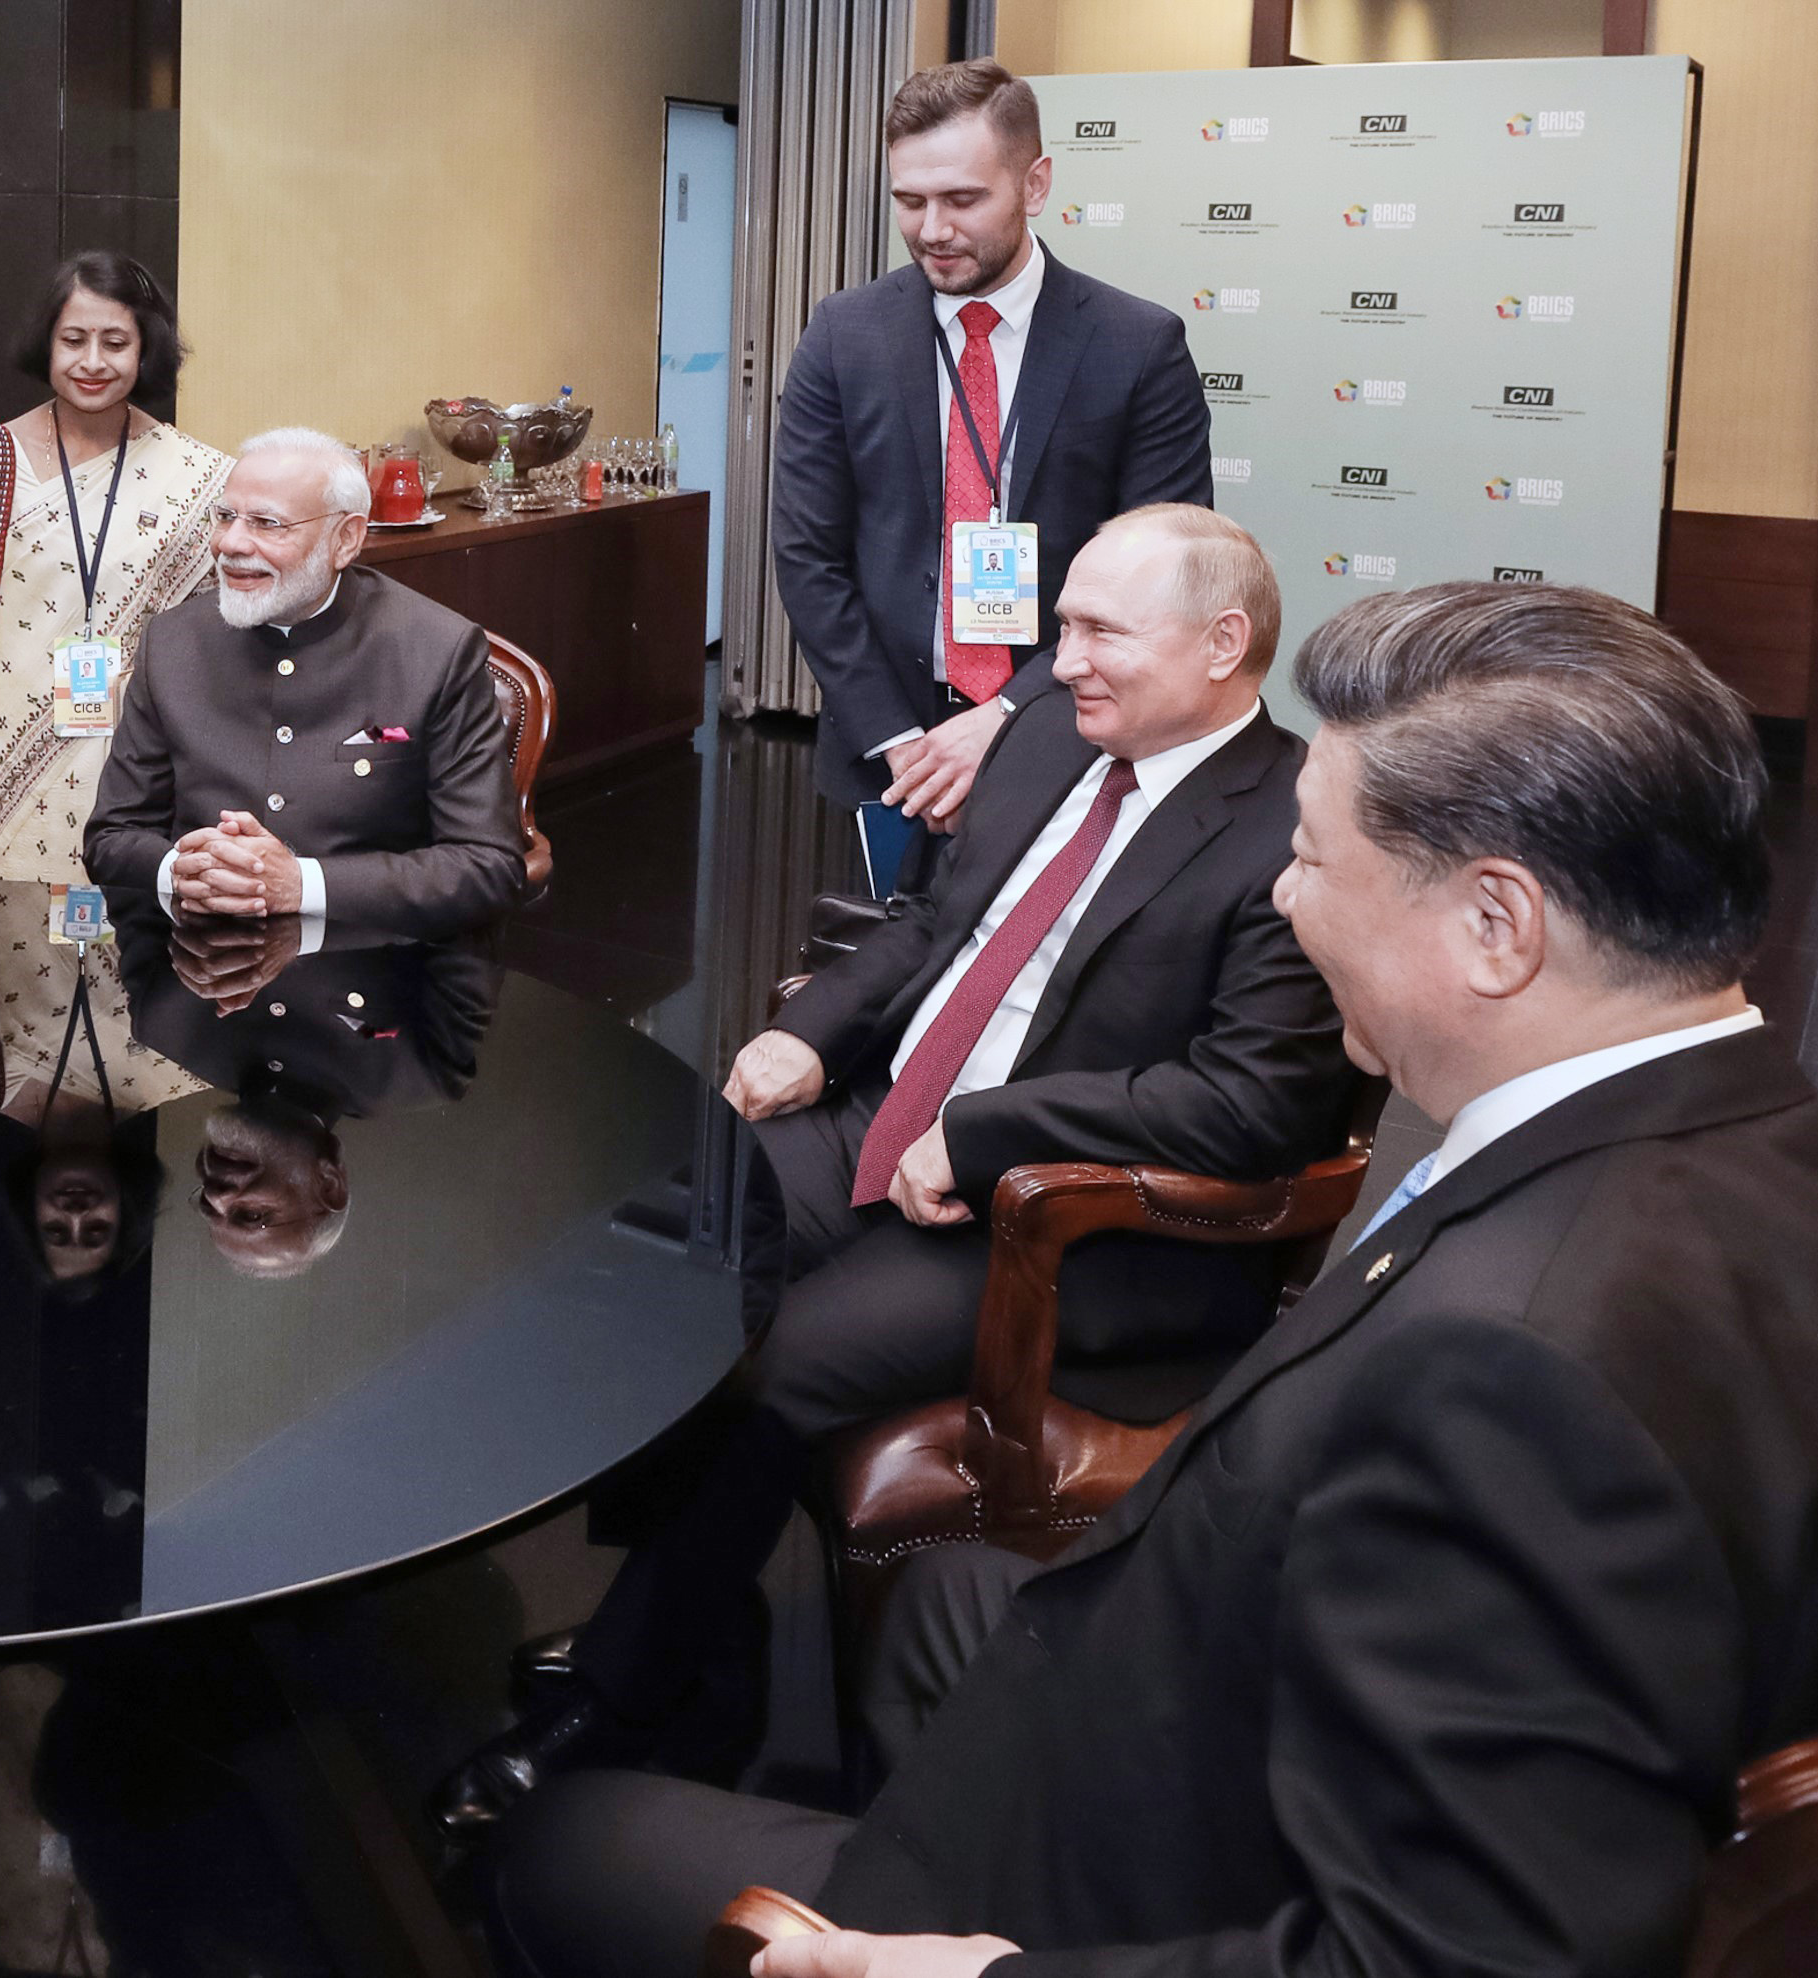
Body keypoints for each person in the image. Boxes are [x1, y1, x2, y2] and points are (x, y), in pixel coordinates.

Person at [486, 580, 1818, 1978]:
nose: (1287, 896)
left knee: (557, 1851)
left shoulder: (1518, 1372)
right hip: (1225, 1672)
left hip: (1170, 1881)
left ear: (1498, 925)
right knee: (948, 1597)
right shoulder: (1746, 1135)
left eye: (1312, 861)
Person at [439, 505, 1357, 1832]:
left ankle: (626, 1696)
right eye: (1062, 626)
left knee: (771, 1362)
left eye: (1100, 632)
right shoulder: (1052, 736)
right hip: (883, 1117)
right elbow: (934, 920)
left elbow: (1252, 1104)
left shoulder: (1292, 821)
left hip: (1067, 1223)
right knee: (645, 1243)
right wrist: (811, 1033)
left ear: (1223, 645)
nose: (1062, 660)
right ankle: (697, 1619)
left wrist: (986, 1136)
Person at [771, 59, 1211, 830]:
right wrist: (903, 745)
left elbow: (1162, 572)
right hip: (887, 752)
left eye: (962, 199)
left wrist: (1009, 714)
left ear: (1034, 185)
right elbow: (808, 556)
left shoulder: (1136, 346)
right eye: (909, 201)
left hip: (1072, 737)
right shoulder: (843, 335)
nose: (931, 230)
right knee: (892, 916)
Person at [82, 428, 525, 935]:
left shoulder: (436, 650)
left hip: (370, 960)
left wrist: (301, 884)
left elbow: (489, 866)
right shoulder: (172, 643)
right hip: (198, 958)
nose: (230, 544)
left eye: (267, 524)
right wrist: (185, 872)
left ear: (345, 539)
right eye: (225, 516)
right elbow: (112, 837)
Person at [0, 253, 234, 880]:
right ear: (46, 343)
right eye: (73, 340)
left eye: (116, 342)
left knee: (135, 922)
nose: (93, 362)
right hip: (10, 758)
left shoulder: (199, 476)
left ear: (145, 349)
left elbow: (218, 639)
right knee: (19, 931)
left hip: (150, 761)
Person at [113, 893, 501, 1278]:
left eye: (207, 1207)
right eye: (252, 1215)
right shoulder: (423, 1071)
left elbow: (124, 870)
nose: (216, 1195)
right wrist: (306, 928)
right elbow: (472, 904)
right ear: (329, 1185)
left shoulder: (167, 1026)